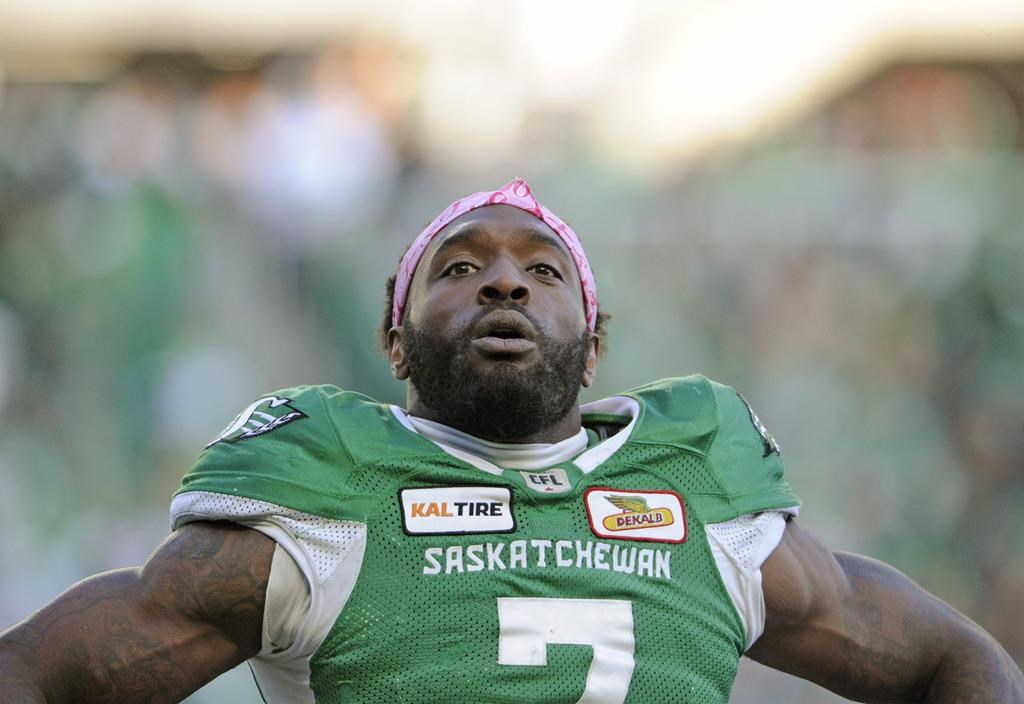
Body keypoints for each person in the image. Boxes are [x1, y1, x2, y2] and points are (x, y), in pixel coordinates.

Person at [0, 178, 1021, 704]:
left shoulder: (701, 490)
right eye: (458, 267)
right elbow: (40, 671)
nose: (501, 280)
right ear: (393, 341)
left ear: (596, 337)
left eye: (543, 270)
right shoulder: (324, 503)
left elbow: (954, 660)